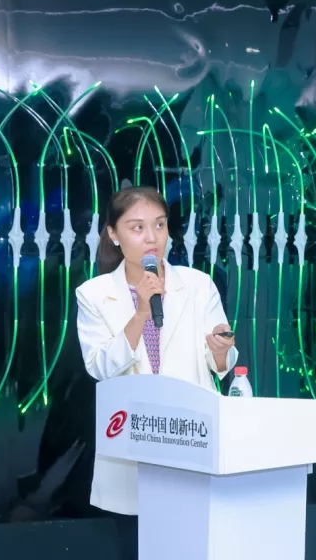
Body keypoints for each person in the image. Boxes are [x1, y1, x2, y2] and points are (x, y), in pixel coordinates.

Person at [74, 186, 238, 555]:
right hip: (133, 445)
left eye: (159, 225)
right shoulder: (94, 294)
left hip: (191, 440)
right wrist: (142, 313)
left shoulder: (197, 285)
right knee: (139, 548)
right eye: (137, 228)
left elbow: (219, 362)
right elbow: (100, 367)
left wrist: (221, 350)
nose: (152, 238)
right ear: (114, 234)